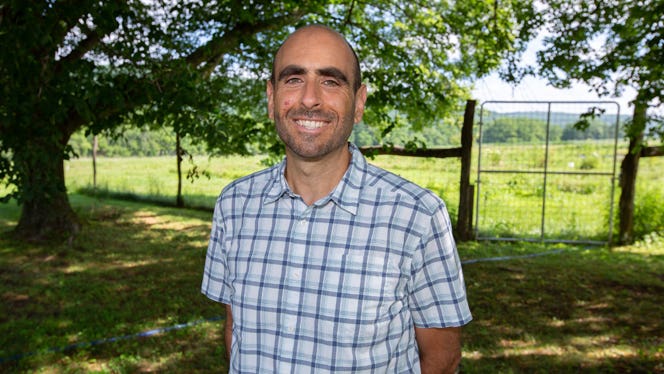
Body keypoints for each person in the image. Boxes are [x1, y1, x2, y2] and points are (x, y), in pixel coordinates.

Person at [201, 24, 472, 373]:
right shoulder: (234, 205)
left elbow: (443, 359)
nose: (310, 98)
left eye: (331, 81)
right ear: (271, 98)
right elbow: (236, 331)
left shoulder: (417, 217)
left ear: (358, 103)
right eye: (293, 79)